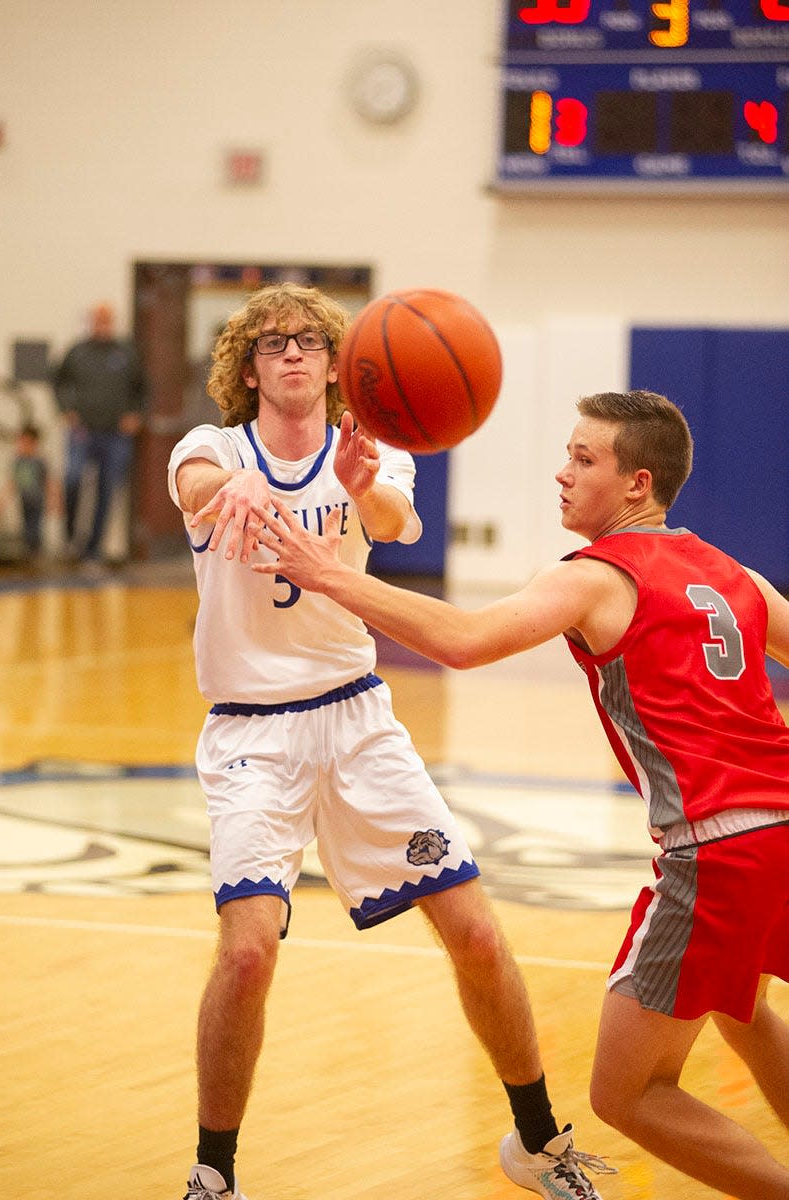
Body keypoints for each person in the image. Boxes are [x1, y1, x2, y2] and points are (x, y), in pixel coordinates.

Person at [253, 388, 789, 1200]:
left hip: (717, 852)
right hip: (781, 830)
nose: (561, 473)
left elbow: (464, 642)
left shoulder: (598, 577)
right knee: (741, 1009)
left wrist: (329, 576)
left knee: (627, 1094)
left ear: (637, 485)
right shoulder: (735, 574)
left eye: (584, 459)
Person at [167, 282, 613, 1200]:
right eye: (272, 342)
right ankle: (214, 1173)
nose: (291, 353)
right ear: (247, 369)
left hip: (357, 719)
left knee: (478, 934)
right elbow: (194, 485)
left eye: (308, 341)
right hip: (253, 732)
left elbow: (392, 525)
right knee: (248, 952)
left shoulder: (372, 451)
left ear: (337, 363)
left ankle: (537, 1141)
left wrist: (366, 489)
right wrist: (230, 484)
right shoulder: (212, 449)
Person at [53, 301, 147, 564]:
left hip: (115, 435)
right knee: (72, 480)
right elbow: (58, 381)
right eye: (98, 319)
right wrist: (65, 409)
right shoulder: (78, 351)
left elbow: (142, 389)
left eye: (107, 320)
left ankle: (92, 550)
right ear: (91, 321)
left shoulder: (126, 353)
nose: (102, 324)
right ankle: (72, 538)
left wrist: (136, 415)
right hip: (82, 431)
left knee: (107, 491)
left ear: (113, 322)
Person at [0, 423, 62, 563]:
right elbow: (12, 483)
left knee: (35, 530)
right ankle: (30, 556)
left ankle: (35, 556)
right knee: (26, 530)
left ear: (35, 443)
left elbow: (48, 481)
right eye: (22, 441)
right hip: (25, 501)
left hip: (37, 502)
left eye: (27, 442)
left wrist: (54, 500)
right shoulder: (18, 461)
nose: (24, 445)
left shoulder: (40, 461)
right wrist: (0, 501)